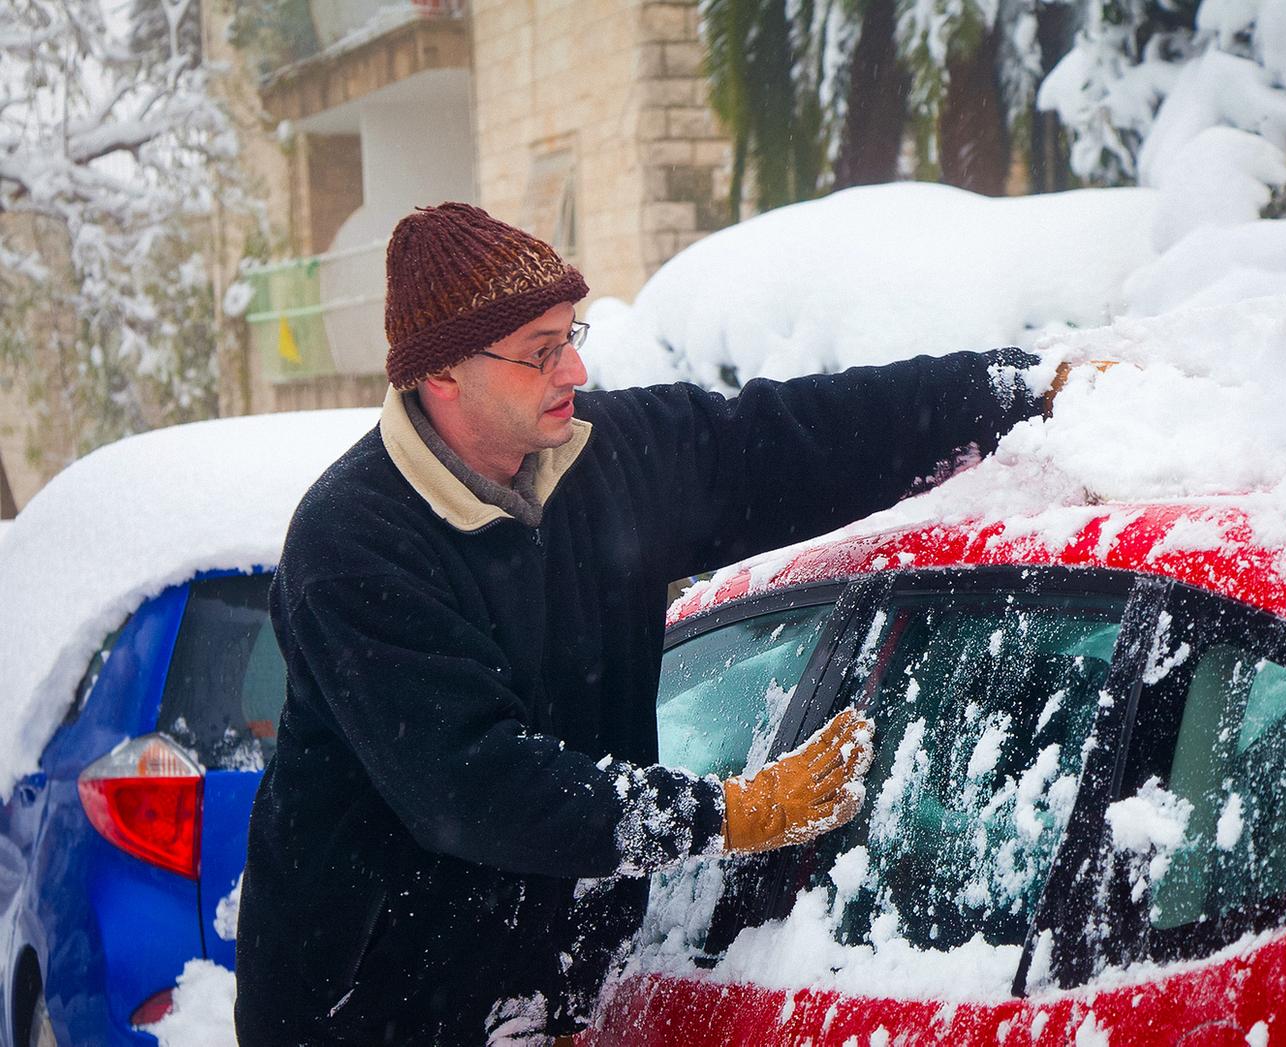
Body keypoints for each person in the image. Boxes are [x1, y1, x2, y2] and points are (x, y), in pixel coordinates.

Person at [234, 202, 1049, 1046]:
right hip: (370, 1011)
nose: (574, 367)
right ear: (443, 373)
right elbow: (475, 786)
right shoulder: (355, 544)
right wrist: (732, 813)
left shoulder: (603, 459)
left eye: (570, 333)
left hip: (536, 1001)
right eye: (541, 351)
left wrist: (1008, 389)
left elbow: (786, 439)